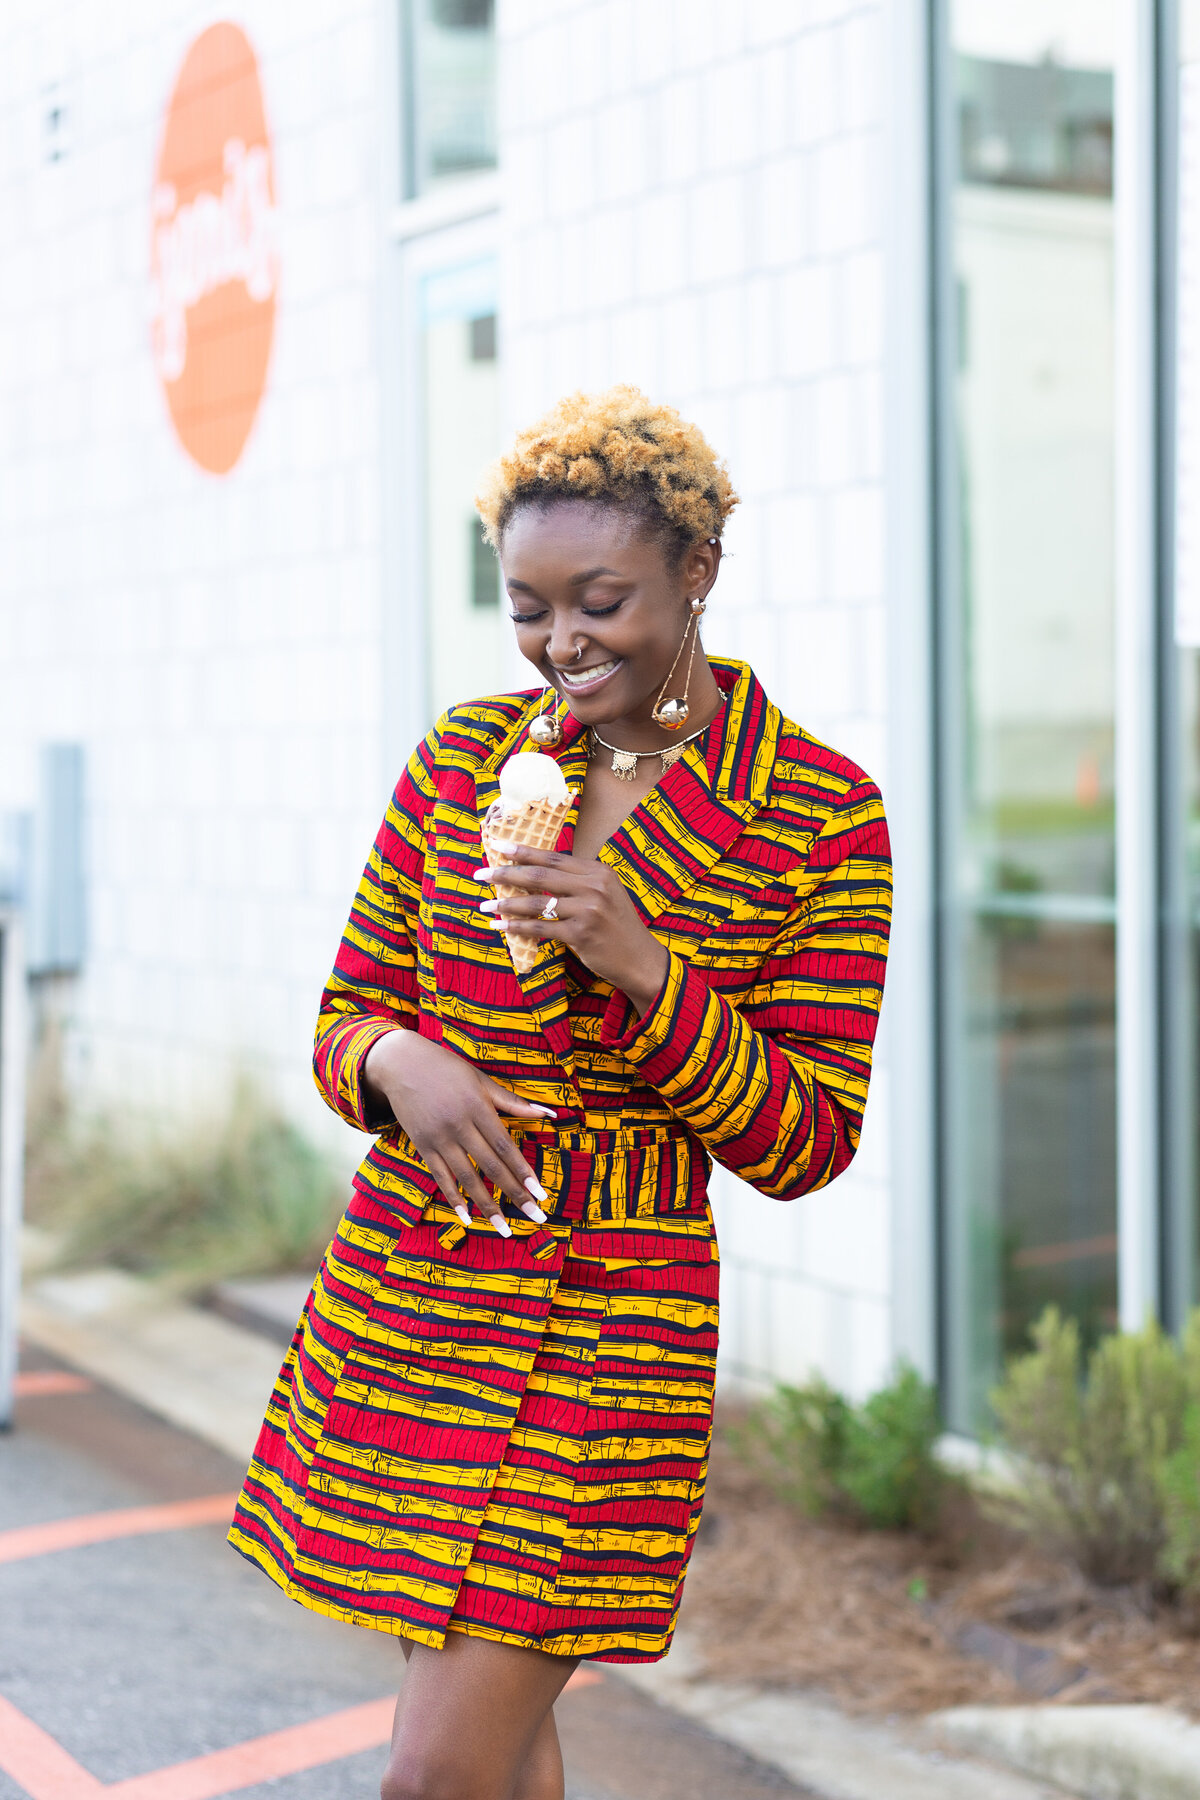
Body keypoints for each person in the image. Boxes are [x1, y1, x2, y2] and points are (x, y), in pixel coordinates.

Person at [228, 386, 892, 1800]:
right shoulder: (464, 760)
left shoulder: (822, 816)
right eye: (529, 609)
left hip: (609, 1325)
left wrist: (647, 967)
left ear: (696, 572)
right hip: (416, 1292)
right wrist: (399, 1065)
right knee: (499, 1756)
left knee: (434, 1773)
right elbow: (347, 1023)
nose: (562, 645)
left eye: (601, 601)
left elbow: (808, 1142)